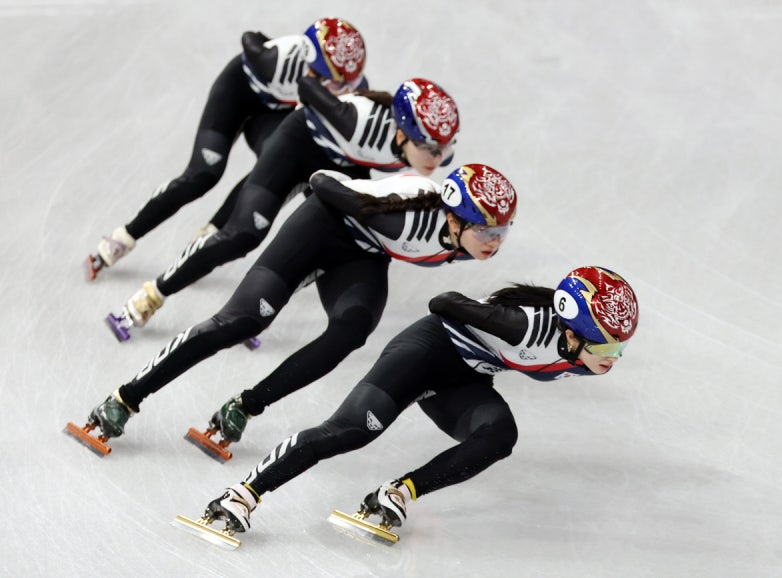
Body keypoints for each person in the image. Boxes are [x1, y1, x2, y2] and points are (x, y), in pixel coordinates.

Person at [74, 162, 516, 447]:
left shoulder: (464, 244)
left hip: (362, 256)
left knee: (351, 331)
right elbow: (321, 181)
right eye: (486, 231)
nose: (494, 243)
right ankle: (125, 397)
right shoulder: (407, 209)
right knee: (242, 321)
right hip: (320, 228)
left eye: (502, 231)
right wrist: (355, 200)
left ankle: (244, 406)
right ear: (453, 217)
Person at [190, 266, 639, 540]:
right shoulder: (524, 325)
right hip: (424, 353)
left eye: (619, 346)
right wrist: (484, 315)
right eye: (606, 347)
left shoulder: (587, 358)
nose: (612, 359)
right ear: (572, 333)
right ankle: (242, 494)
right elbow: (443, 302)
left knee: (500, 435)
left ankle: (396, 492)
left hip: (464, 378)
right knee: (351, 431)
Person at [106, 75, 461, 339]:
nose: (437, 160)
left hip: (343, 167)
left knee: (323, 242)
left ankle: (253, 296)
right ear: (401, 133)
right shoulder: (359, 122)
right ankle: (152, 294)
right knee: (245, 235)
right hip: (297, 147)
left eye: (444, 150)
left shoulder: (413, 146)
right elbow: (307, 87)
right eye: (431, 149)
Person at [88, 17, 368, 280]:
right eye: (334, 80)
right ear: (309, 66)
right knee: (202, 175)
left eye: (348, 81)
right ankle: (123, 237)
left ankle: (210, 234)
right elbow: (250, 39)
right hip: (238, 95)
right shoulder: (277, 60)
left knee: (273, 167)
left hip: (274, 114)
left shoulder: (346, 85)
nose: (343, 88)